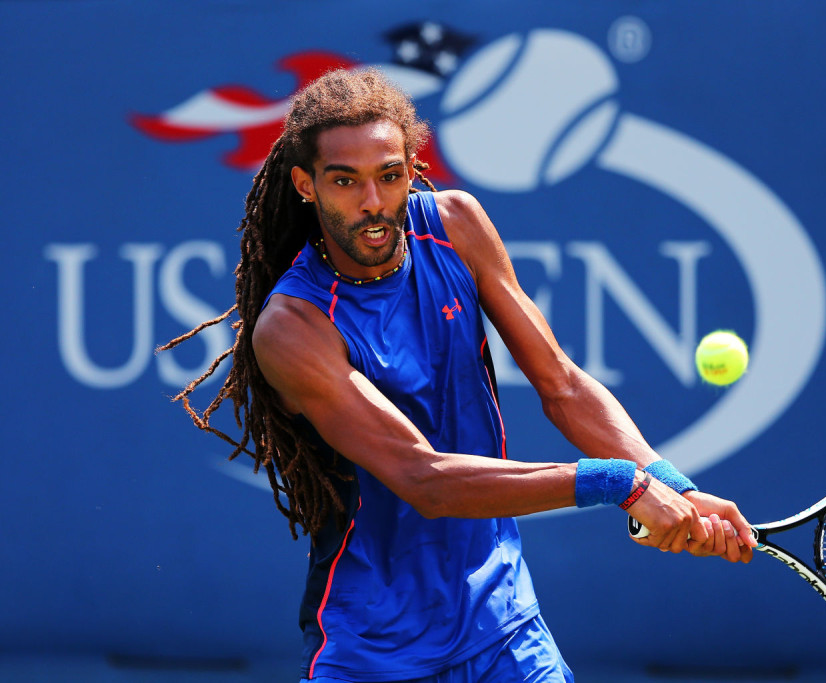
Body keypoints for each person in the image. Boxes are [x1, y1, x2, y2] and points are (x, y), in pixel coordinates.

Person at [160, 67, 756, 683]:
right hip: (373, 649)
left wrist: (670, 483)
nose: (372, 203)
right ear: (305, 185)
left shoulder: (457, 226)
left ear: (412, 170)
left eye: (389, 176)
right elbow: (427, 480)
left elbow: (562, 384)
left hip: (506, 626)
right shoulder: (293, 327)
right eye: (345, 181)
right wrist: (621, 485)